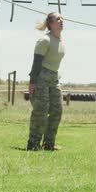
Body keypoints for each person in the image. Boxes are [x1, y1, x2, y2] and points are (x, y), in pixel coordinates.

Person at [26, 13, 65, 151]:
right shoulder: (45, 40)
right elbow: (36, 63)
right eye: (58, 19)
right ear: (50, 24)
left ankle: (49, 144)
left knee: (57, 110)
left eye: (62, 18)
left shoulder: (61, 41)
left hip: (54, 78)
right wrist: (32, 83)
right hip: (41, 77)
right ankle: (33, 144)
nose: (61, 21)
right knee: (41, 111)